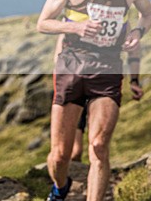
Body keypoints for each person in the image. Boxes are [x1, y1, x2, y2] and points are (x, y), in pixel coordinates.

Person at [37, 0, 151, 201]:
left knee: (99, 145)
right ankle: (60, 188)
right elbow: (43, 23)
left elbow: (147, 13)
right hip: (71, 66)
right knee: (60, 154)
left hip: (108, 67)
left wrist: (138, 32)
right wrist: (74, 26)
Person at [53, 34, 145, 163]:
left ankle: (91, 175)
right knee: (74, 151)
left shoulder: (120, 21)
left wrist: (134, 80)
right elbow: (58, 57)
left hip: (101, 83)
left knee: (98, 143)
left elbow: (134, 50)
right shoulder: (71, 19)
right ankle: (66, 179)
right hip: (74, 83)